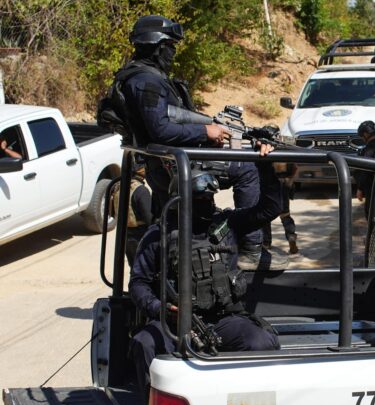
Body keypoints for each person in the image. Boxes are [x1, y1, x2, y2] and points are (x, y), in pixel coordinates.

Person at [108, 15, 285, 271]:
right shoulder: (147, 82)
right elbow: (160, 129)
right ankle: (251, 250)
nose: (172, 52)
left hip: (167, 164)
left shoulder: (138, 76)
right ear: (158, 45)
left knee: (242, 157)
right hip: (174, 167)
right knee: (247, 170)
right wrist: (205, 131)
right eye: (171, 47)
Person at [129, 169, 282, 403]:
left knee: (260, 341)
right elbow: (139, 283)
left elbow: (269, 208)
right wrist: (160, 309)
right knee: (144, 343)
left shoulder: (226, 224)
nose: (207, 204)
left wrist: (267, 168)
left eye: (210, 199)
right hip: (175, 322)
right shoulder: (158, 235)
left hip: (222, 319)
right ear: (180, 202)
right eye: (200, 200)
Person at [111, 162, 153, 265]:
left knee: (134, 268)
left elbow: (112, 213)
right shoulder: (141, 190)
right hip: (140, 237)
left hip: (126, 236)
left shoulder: (117, 187)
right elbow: (149, 219)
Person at [262, 162, 299, 254]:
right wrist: (289, 180)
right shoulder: (285, 152)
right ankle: (291, 237)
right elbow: (295, 167)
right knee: (285, 215)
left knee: (265, 216)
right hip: (284, 184)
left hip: (269, 184)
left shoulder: (267, 152)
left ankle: (266, 243)